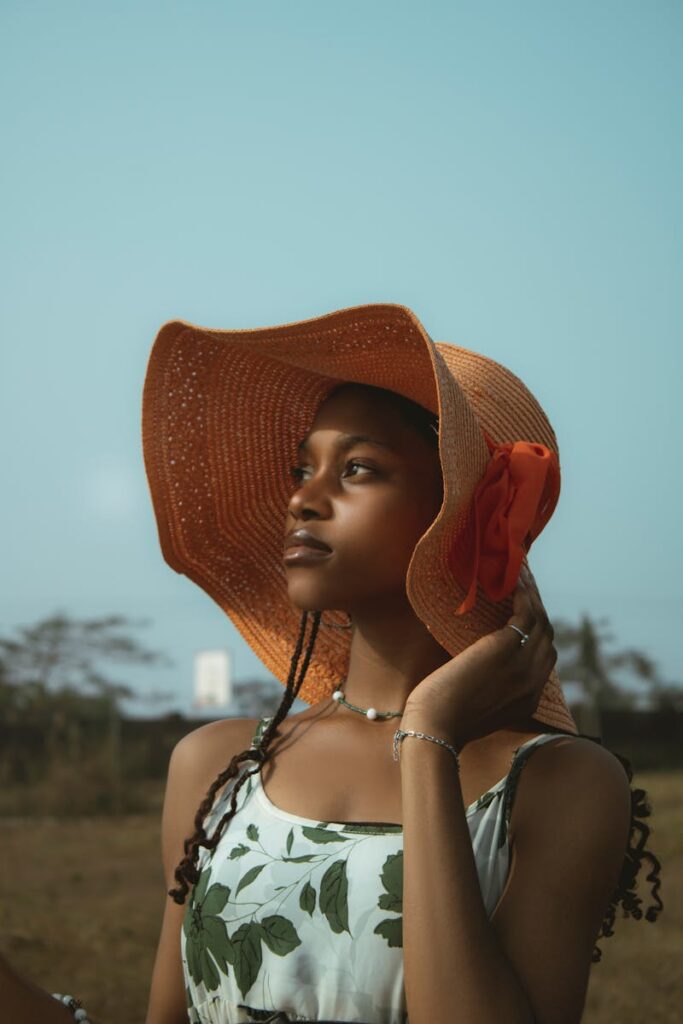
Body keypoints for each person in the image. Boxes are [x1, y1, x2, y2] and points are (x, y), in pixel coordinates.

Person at [3, 304, 661, 1023]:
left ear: (464, 509)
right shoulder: (220, 767)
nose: (302, 500)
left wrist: (428, 739)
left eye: (356, 468)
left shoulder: (554, 785)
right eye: (300, 469)